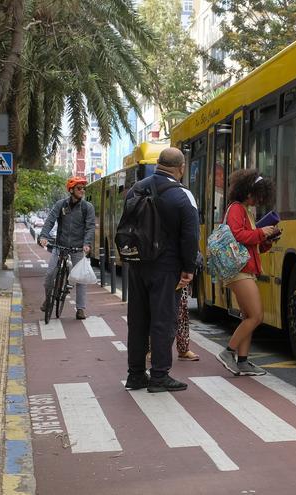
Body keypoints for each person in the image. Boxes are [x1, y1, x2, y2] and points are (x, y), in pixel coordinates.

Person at [124, 147, 199, 393]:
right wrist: (188, 268)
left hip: (136, 265)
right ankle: (159, 375)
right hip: (167, 268)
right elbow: (190, 234)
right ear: (181, 168)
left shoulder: (135, 189)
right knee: (163, 320)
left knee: (138, 320)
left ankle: (135, 375)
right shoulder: (182, 195)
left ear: (158, 164)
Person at [215, 169, 279, 377]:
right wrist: (262, 232)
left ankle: (242, 361)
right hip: (240, 270)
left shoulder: (244, 210)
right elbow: (238, 236)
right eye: (257, 195)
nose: (259, 200)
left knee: (248, 316)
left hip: (244, 268)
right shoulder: (236, 209)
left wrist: (266, 240)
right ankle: (228, 352)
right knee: (256, 316)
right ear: (248, 192)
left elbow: (253, 245)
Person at [38, 176, 96, 320]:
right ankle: (48, 299)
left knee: (81, 278)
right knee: (50, 275)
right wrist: (44, 236)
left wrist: (86, 244)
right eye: (79, 188)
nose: (82, 191)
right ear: (71, 190)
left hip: (77, 248)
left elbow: (90, 228)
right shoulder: (61, 205)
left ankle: (81, 309)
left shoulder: (87, 207)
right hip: (60, 246)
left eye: (83, 188)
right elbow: (50, 220)